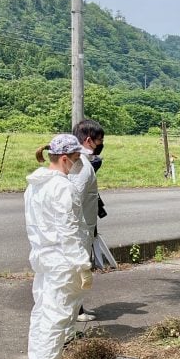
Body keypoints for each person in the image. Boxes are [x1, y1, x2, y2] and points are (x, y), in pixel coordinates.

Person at [25, 134, 93, 359]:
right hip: (63, 262)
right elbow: (68, 230)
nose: (79, 164)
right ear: (65, 159)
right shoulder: (62, 187)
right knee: (57, 318)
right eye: (76, 159)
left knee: (42, 312)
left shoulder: (35, 184)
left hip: (43, 258)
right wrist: (82, 264)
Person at [69, 119, 105, 323]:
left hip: (83, 226)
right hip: (79, 228)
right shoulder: (82, 165)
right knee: (78, 270)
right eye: (99, 141)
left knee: (79, 270)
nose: (101, 145)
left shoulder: (83, 163)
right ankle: (74, 312)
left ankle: (78, 309)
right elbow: (75, 198)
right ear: (89, 140)